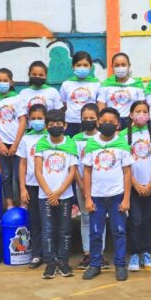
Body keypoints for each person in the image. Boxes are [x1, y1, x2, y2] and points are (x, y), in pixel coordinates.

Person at [82, 108, 132, 281]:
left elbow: (127, 172)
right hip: (96, 197)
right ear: (98, 123)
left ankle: (120, 265)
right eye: (104, 122)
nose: (107, 125)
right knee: (95, 233)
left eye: (111, 122)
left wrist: (126, 198)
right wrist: (88, 198)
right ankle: (94, 264)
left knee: (119, 231)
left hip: (117, 196)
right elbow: (87, 172)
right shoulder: (92, 144)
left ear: (118, 125)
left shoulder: (122, 144)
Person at [34, 109, 78, 279]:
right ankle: (50, 262)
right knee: (48, 230)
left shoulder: (70, 144)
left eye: (59, 124)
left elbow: (72, 171)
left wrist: (59, 192)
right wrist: (49, 193)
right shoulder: (41, 144)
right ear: (46, 127)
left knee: (64, 229)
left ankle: (63, 261)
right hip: (45, 196)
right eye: (51, 125)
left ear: (65, 126)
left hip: (64, 195)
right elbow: (38, 171)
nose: (55, 127)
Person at [72, 103, 109, 270]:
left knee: (100, 218)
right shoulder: (75, 139)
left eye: (92, 118)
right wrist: (81, 185)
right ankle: (88, 253)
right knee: (86, 218)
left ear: (98, 119)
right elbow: (73, 165)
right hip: (82, 185)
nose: (88, 121)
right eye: (85, 118)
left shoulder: (103, 138)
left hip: (101, 186)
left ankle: (99, 254)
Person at [0, 67, 27, 210]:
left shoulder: (18, 98)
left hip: (19, 143)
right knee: (6, 175)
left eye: (5, 80)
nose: (2, 83)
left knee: (20, 175)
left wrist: (16, 144)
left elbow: (23, 121)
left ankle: (23, 204)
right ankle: (9, 205)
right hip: (2, 144)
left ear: (11, 82)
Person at [126, 100, 151, 272]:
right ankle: (134, 253)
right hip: (132, 186)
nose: (141, 114)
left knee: (146, 220)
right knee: (135, 220)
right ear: (131, 114)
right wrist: (135, 183)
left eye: (145, 111)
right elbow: (124, 165)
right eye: (138, 111)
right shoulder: (123, 135)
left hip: (149, 186)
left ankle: (146, 252)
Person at [17, 104, 47, 270]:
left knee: (50, 221)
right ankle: (37, 254)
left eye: (40, 118)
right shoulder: (26, 139)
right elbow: (22, 164)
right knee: (35, 221)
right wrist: (23, 188)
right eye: (33, 118)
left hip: (49, 187)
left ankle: (52, 253)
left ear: (46, 119)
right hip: (32, 185)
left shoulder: (51, 137)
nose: (36, 121)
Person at [98, 52, 145, 130]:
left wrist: (135, 123)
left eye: (123, 65)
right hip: (111, 122)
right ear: (112, 67)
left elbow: (141, 107)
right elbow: (101, 107)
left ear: (129, 66)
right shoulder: (106, 85)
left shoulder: (137, 85)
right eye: (117, 65)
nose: (120, 68)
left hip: (132, 122)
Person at [60, 51, 101, 136]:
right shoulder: (66, 84)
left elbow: (99, 104)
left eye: (85, 65)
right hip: (71, 122)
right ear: (73, 66)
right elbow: (64, 104)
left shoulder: (97, 84)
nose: (82, 68)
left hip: (90, 122)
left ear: (91, 66)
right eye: (78, 65)